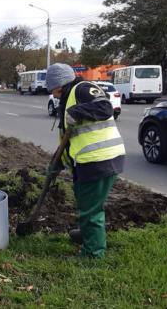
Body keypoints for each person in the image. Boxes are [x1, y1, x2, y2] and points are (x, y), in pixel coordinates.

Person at [46, 63, 126, 258]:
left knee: (91, 209)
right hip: (88, 159)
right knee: (85, 200)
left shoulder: (82, 88)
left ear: (60, 85)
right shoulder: (68, 97)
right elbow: (69, 137)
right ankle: (87, 234)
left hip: (99, 158)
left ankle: (92, 253)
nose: (54, 96)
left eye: (54, 91)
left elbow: (105, 107)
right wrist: (58, 162)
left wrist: (77, 112)